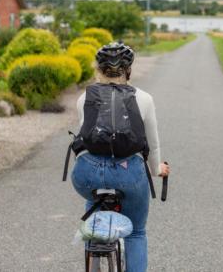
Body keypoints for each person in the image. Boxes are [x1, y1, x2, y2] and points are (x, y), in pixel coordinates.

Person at [70, 41, 170, 272]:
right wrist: (157, 170)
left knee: (94, 211)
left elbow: (85, 139)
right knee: (136, 232)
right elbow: (152, 145)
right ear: (129, 70)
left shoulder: (83, 98)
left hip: (87, 174)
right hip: (129, 174)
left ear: (99, 68)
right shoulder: (144, 98)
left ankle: (93, 251)